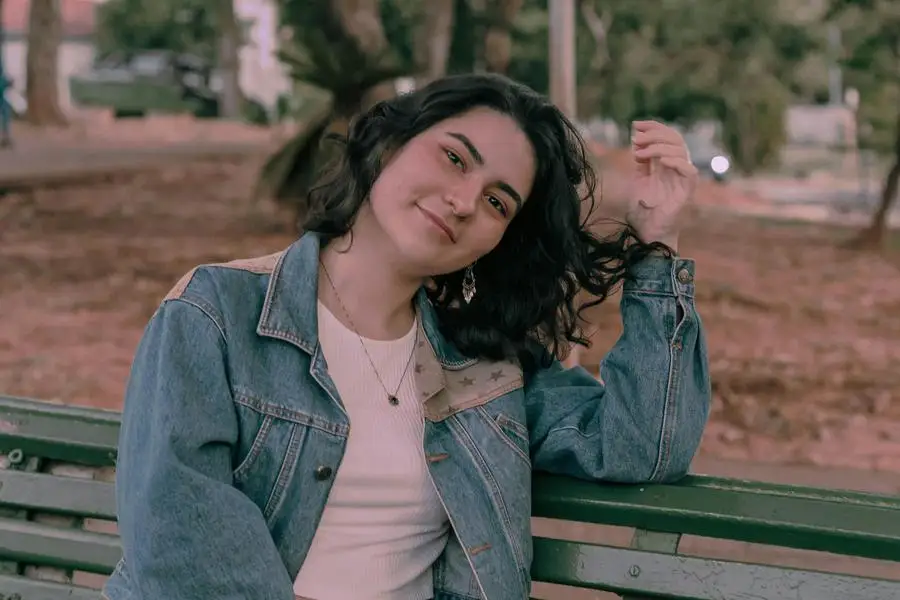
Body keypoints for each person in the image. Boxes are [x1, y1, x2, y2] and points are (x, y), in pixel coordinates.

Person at [103, 73, 710, 600]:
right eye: (454, 158)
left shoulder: (485, 371)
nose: (466, 200)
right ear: (390, 142)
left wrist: (658, 247)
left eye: (499, 202)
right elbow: (178, 537)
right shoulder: (217, 315)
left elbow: (641, 445)